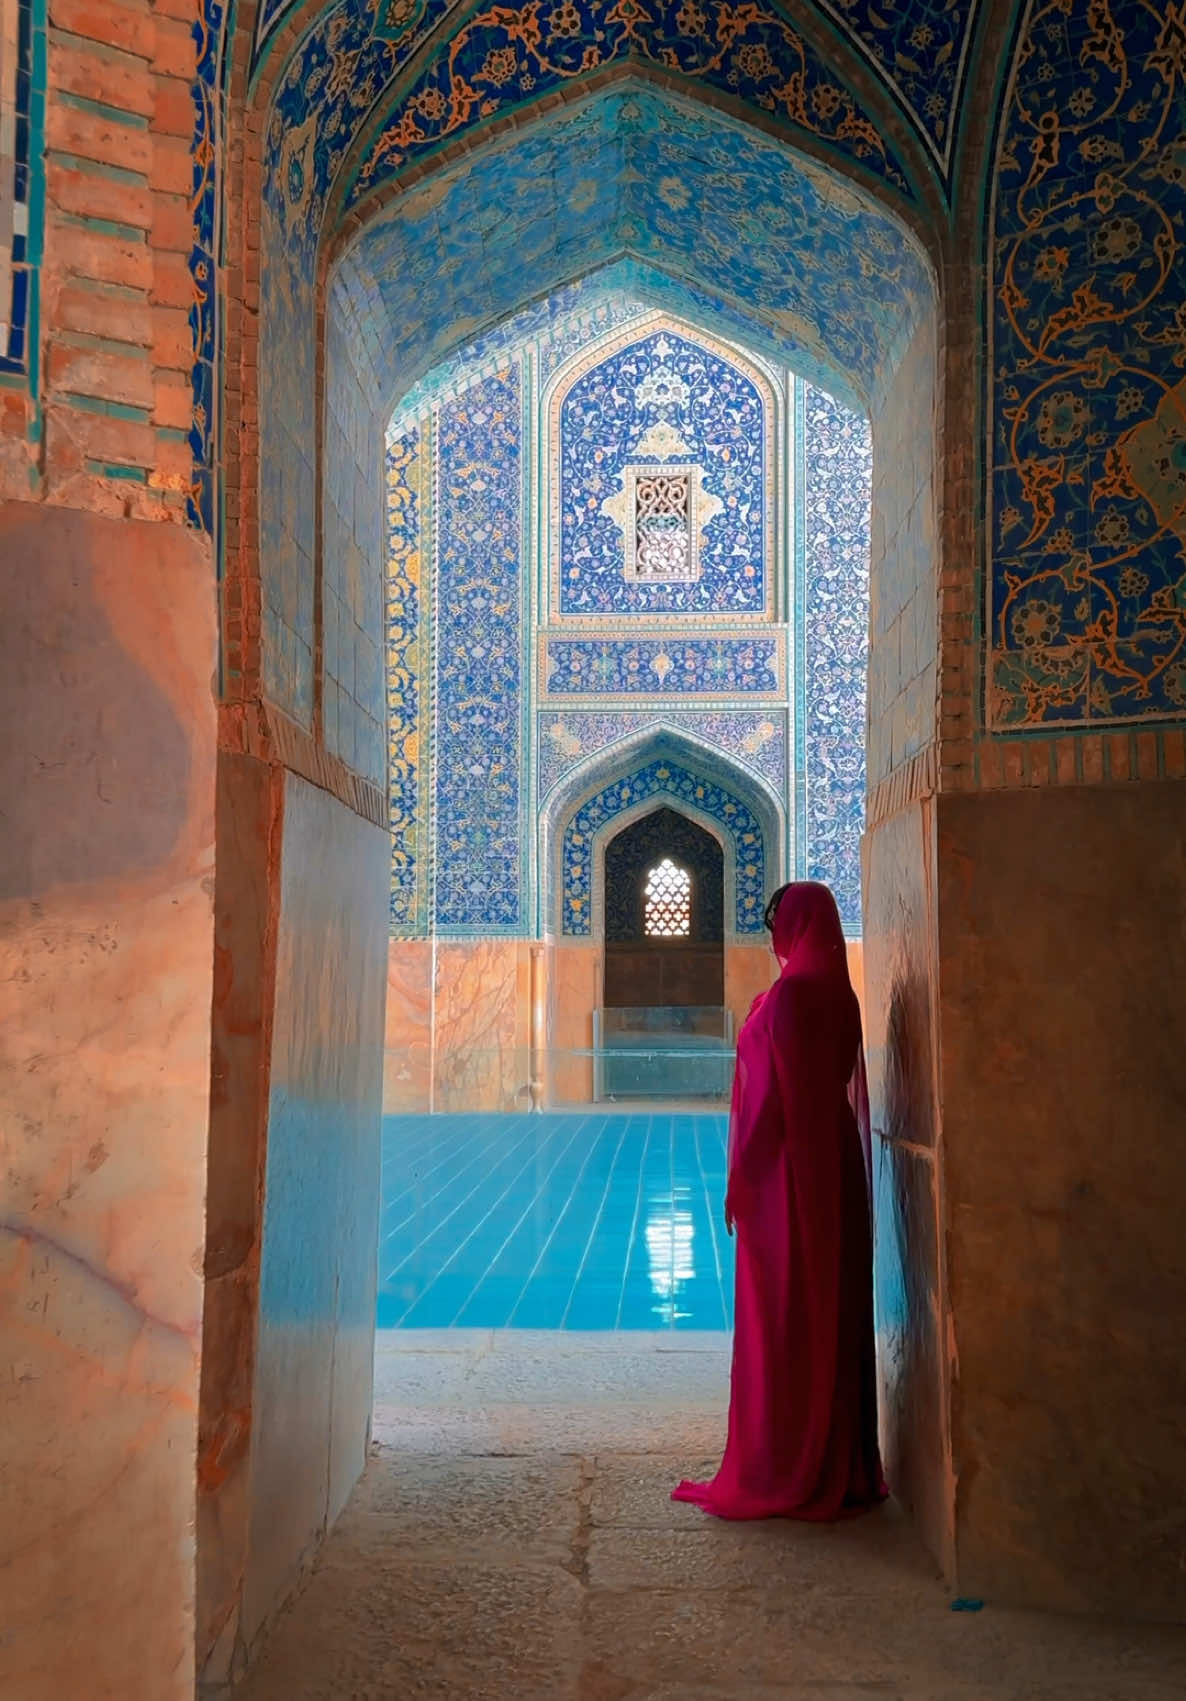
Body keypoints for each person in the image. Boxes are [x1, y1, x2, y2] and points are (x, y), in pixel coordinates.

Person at [672, 880, 886, 1521]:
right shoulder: (841, 995)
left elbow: (773, 1106)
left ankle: (785, 1462)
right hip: (834, 1166)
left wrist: (741, 1179)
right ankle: (833, 1459)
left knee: (787, 1313)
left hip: (789, 1178)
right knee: (830, 1306)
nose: (774, 939)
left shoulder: (792, 995)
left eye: (778, 925)